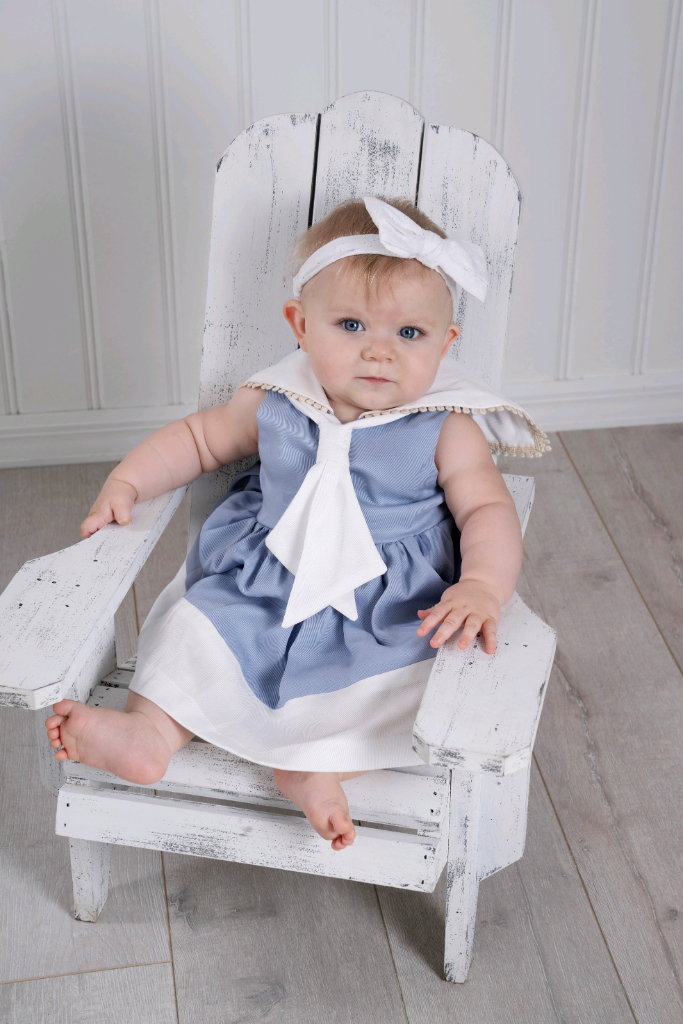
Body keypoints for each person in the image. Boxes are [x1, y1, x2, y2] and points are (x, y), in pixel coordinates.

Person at [45, 197, 548, 851]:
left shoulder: (447, 423)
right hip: (265, 581)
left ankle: (316, 767)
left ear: (446, 343)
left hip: (388, 599)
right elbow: (200, 441)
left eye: (409, 334)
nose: (379, 353)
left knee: (409, 683)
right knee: (195, 629)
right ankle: (150, 732)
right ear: (300, 324)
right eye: (349, 324)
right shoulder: (277, 396)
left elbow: (485, 508)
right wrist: (128, 481)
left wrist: (480, 585)